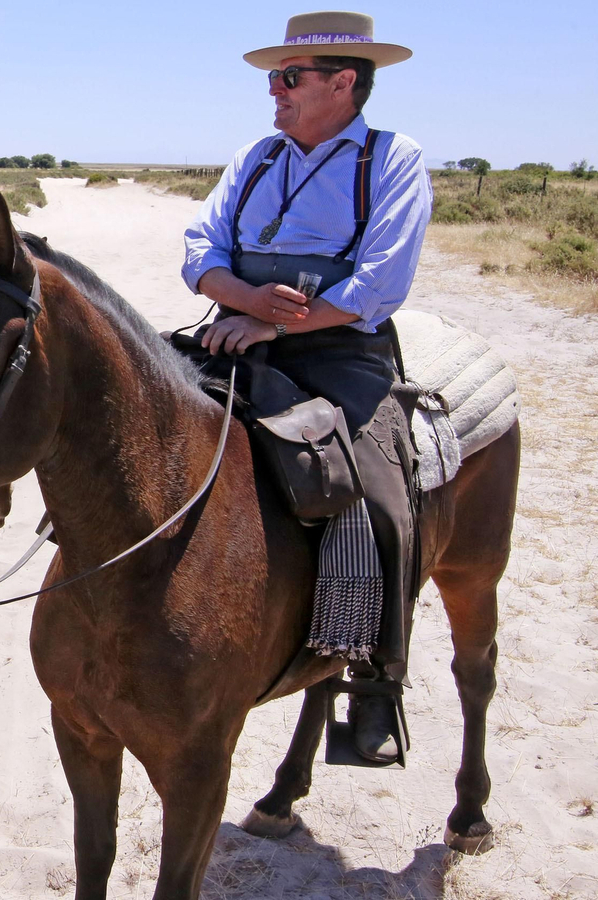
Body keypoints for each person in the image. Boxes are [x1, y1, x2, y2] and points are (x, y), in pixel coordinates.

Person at [182, 12, 430, 763]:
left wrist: (280, 326)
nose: (274, 93)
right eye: (272, 78)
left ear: (343, 82)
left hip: (339, 352)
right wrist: (245, 302)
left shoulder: (391, 158)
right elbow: (201, 247)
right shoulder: (256, 156)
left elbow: (381, 281)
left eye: (289, 78)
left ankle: (376, 681)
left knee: (379, 493)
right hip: (235, 330)